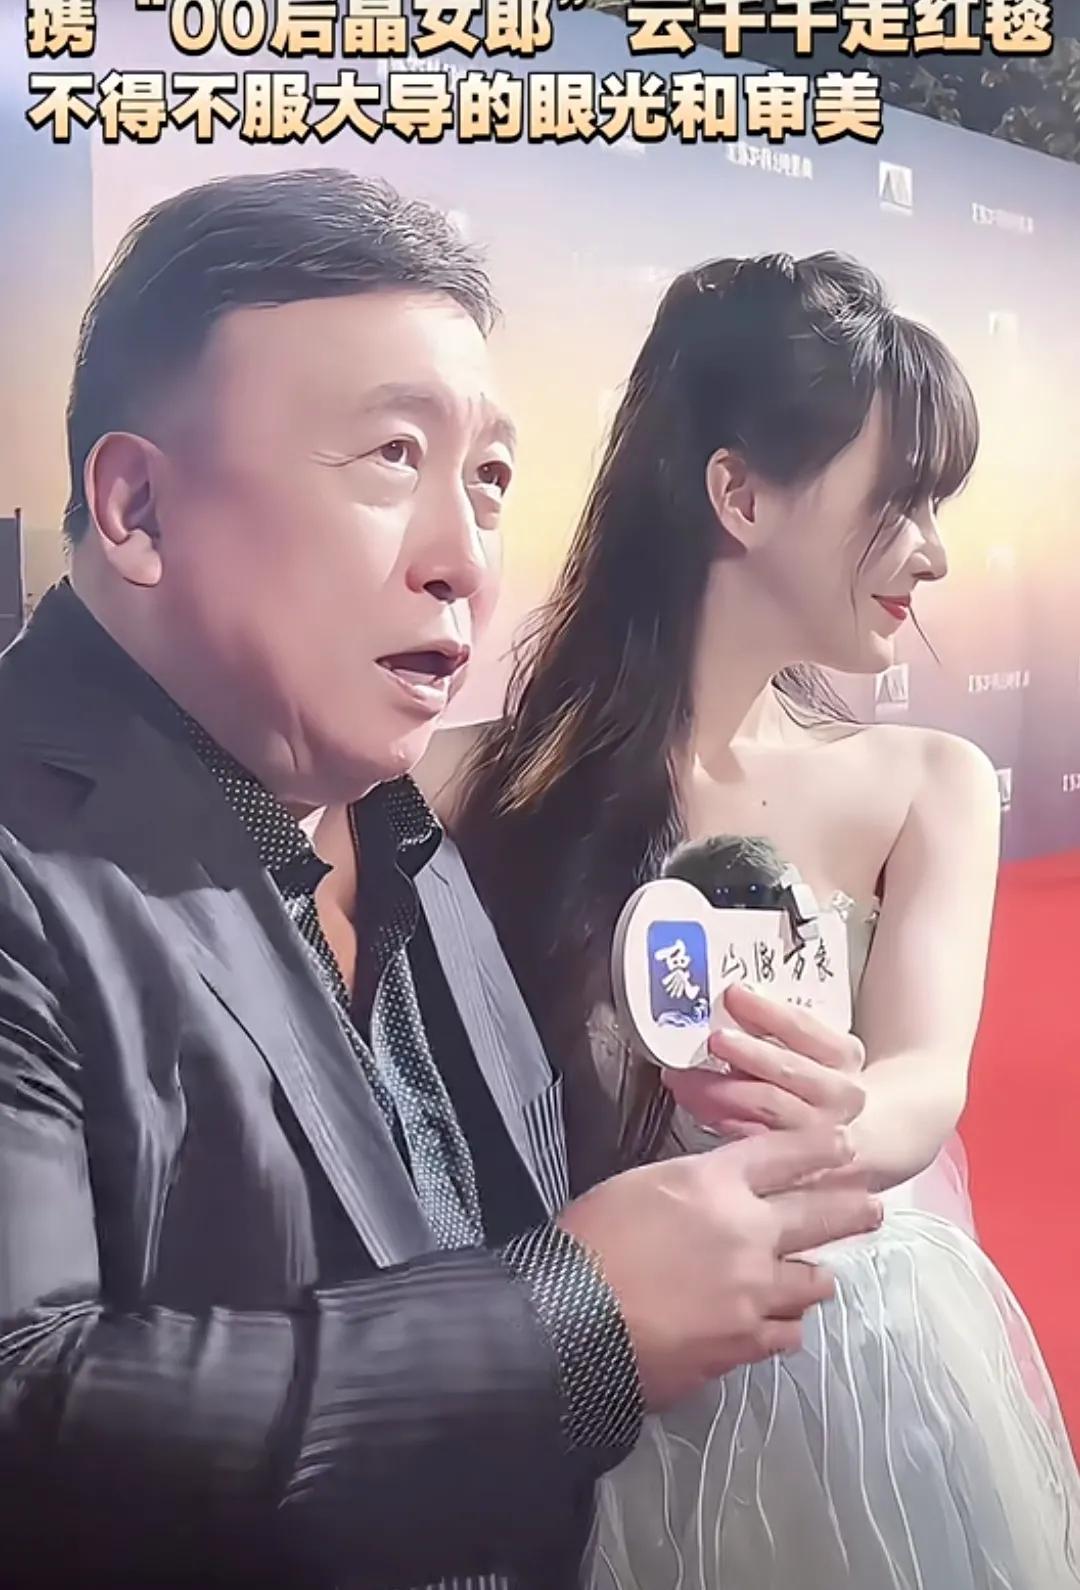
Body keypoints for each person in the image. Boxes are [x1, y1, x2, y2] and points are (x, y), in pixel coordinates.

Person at [0, 176, 882, 1590]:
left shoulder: (400, 815)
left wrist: (701, 1159)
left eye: (488, 480)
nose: (466, 561)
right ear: (138, 505)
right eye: (392, 456)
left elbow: (469, 1219)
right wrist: (567, 1326)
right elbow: (26, 1415)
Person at [422, 253, 1080, 1587]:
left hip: (855, 1356)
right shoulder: (465, 786)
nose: (935, 552)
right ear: (740, 495)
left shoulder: (929, 784)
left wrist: (836, 1117)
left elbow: (925, 1081)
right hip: (597, 1373)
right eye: (899, 501)